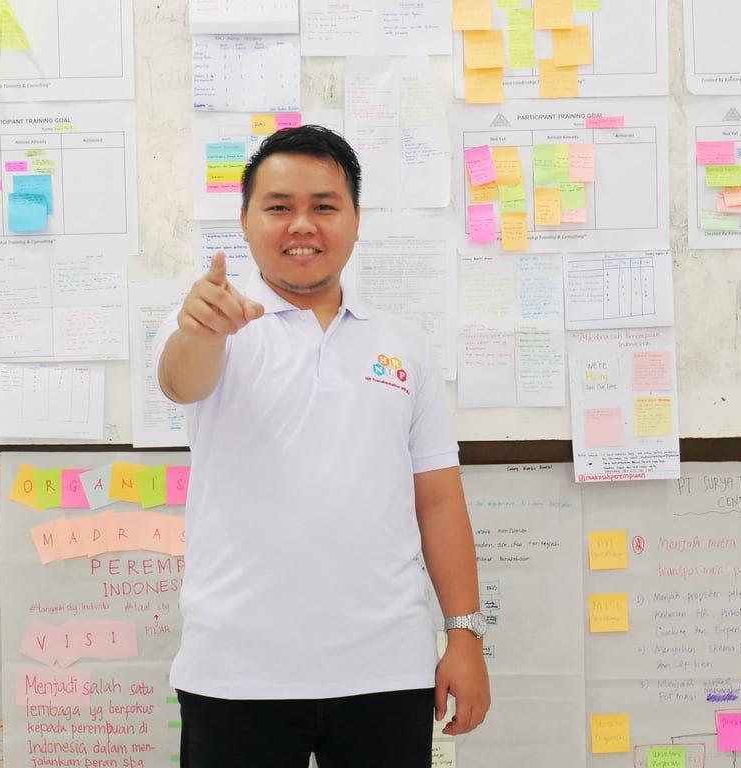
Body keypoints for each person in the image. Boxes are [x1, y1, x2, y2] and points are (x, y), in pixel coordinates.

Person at [155, 125, 490, 768]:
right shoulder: (206, 325)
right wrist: (201, 332)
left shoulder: (404, 346)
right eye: (279, 206)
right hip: (236, 671)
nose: (302, 225)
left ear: (356, 221)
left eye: (325, 206)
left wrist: (465, 635)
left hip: (387, 668)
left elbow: (439, 500)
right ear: (246, 221)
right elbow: (180, 380)